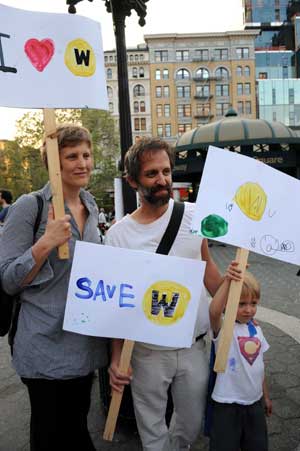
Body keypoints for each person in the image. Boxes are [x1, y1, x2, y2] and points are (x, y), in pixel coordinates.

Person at [106, 137, 223, 451]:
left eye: (166, 171)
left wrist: (238, 295)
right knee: (152, 428)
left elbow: (208, 269)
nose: (163, 180)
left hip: (194, 345)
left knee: (190, 424)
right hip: (146, 351)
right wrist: (116, 359)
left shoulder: (194, 216)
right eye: (152, 174)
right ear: (132, 181)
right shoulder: (117, 235)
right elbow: (118, 303)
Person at [0, 125, 108, 451]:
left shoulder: (92, 206)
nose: (82, 163)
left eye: (86, 155)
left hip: (83, 343)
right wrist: (45, 243)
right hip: (43, 344)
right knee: (50, 436)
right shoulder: (28, 207)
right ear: (54, 163)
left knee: (76, 426)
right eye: (71, 156)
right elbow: (7, 278)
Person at [209, 262, 272, 451]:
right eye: (241, 304)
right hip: (227, 404)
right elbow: (213, 311)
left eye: (253, 304)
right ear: (228, 305)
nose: (249, 310)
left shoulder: (256, 329)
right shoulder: (224, 327)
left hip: (254, 402)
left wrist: (265, 397)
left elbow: (259, 366)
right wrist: (228, 280)